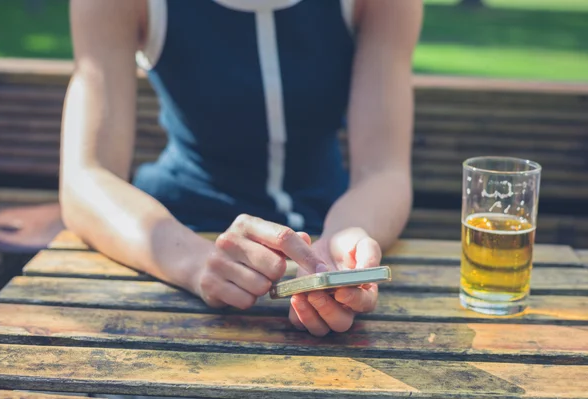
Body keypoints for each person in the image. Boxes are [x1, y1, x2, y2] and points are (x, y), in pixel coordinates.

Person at [60, 0, 422, 337]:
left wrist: (342, 247)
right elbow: (87, 176)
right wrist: (197, 263)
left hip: (326, 225)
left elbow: (383, 171)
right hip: (178, 244)